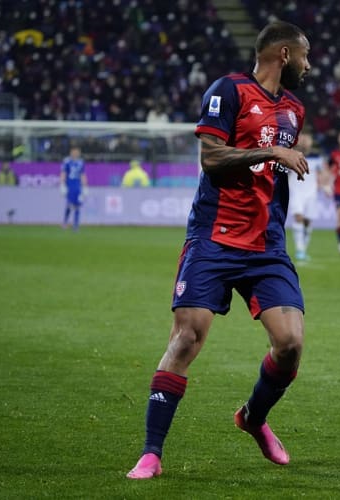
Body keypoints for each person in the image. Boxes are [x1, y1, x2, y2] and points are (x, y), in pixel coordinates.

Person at [127, 20, 311, 480]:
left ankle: (253, 417)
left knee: (290, 344)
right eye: (305, 57)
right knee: (187, 338)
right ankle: (151, 453)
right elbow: (211, 157)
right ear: (284, 55)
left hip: (267, 245)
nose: (310, 67)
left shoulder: (293, 109)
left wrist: (274, 161)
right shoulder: (228, 90)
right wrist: (269, 155)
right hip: (214, 237)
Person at [288, 130, 328, 261]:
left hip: (311, 193)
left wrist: (326, 187)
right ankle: (300, 249)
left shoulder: (317, 156)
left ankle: (304, 248)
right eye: (302, 137)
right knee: (298, 217)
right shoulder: (291, 154)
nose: (305, 141)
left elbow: (323, 174)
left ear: (311, 141)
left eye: (308, 138)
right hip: (296, 191)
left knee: (307, 221)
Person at [59, 146, 88, 230]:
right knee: (69, 205)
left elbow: (82, 175)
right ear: (71, 152)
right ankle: (65, 222)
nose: (76, 153)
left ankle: (76, 225)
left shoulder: (81, 162)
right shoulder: (67, 161)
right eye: (74, 152)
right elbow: (63, 173)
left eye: (77, 152)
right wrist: (62, 185)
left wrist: (85, 186)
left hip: (77, 185)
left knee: (78, 205)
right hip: (69, 184)